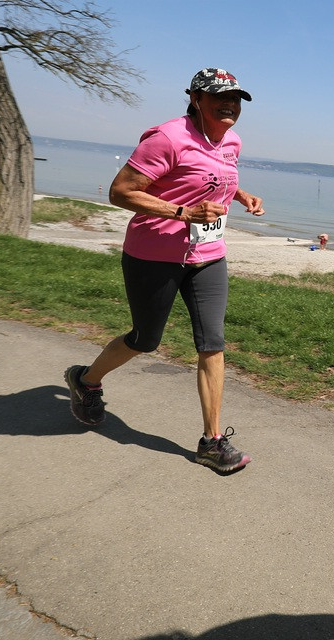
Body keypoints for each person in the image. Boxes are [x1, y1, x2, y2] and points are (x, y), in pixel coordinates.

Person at [63, 67, 265, 474]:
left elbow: (215, 176)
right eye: (218, 98)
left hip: (207, 254)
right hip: (154, 252)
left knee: (213, 343)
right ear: (194, 98)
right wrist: (183, 211)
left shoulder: (232, 139)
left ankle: (212, 442)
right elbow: (121, 191)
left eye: (236, 99)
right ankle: (86, 380)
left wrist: (239, 193)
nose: (229, 106)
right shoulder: (169, 138)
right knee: (145, 339)